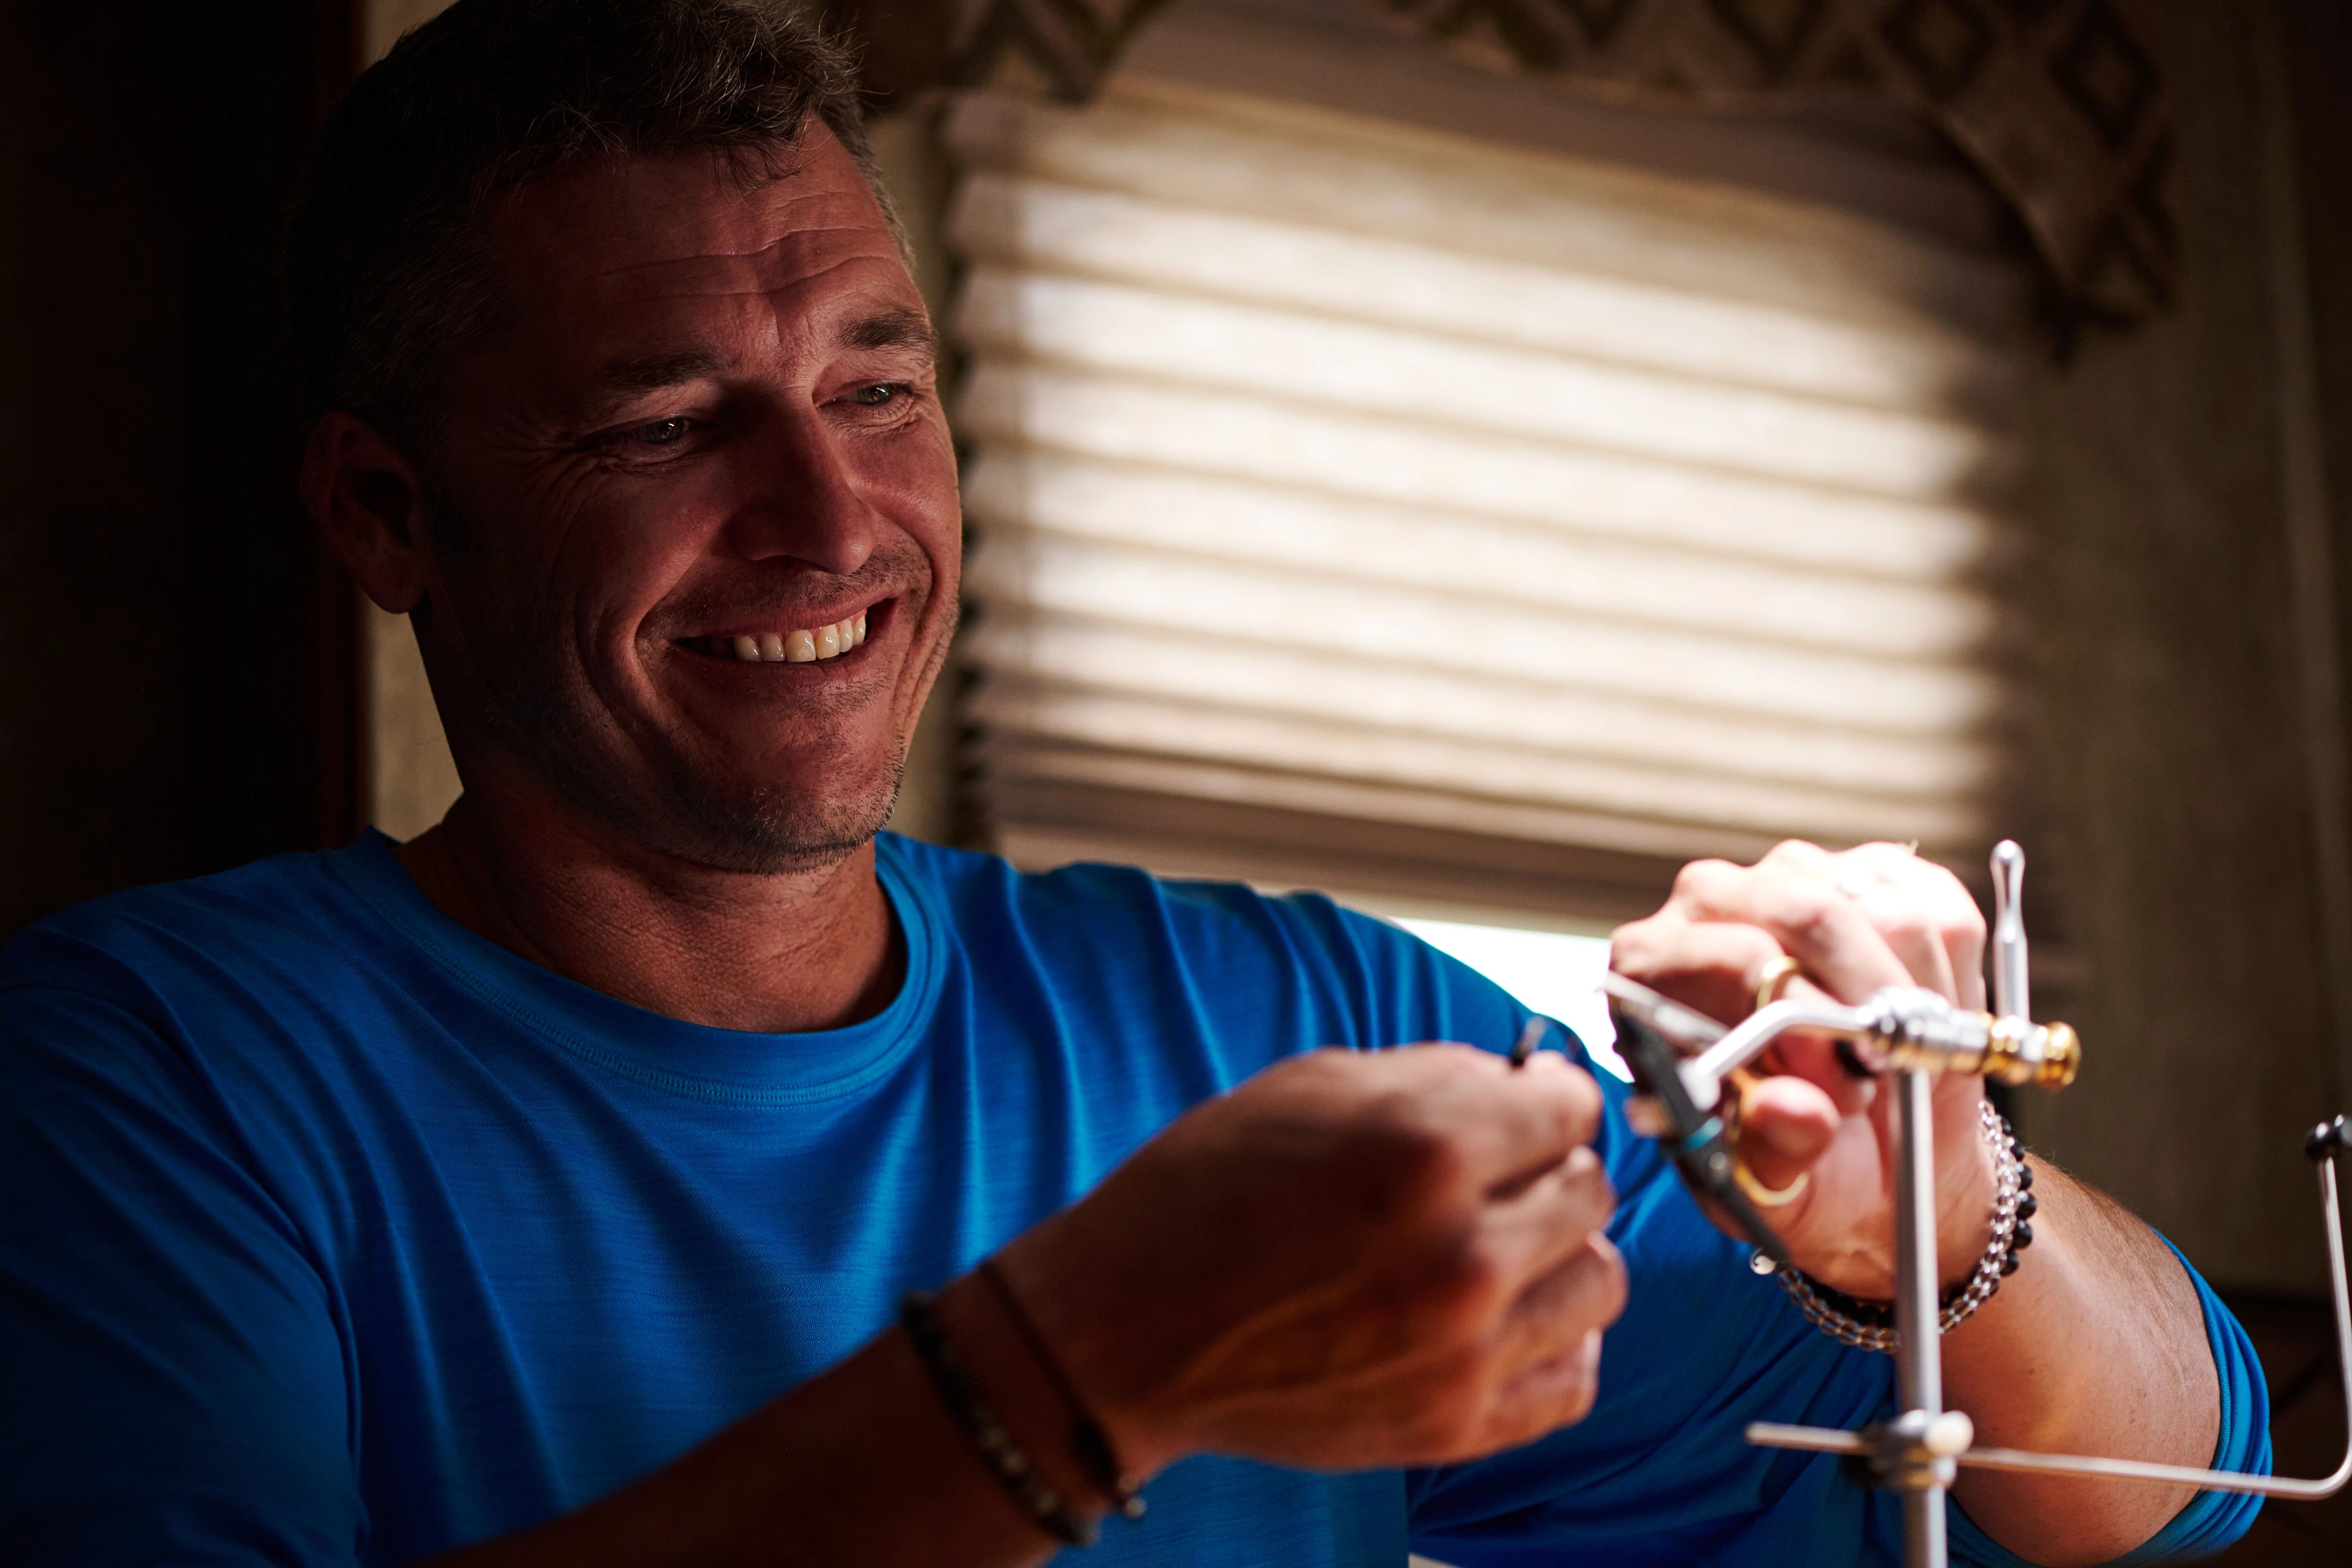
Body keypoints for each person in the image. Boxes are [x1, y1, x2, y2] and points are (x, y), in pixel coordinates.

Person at [0, 4, 2267, 1565]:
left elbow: (2154, 1489)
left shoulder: (1292, 1035)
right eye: (668, 422)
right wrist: (1090, 1361)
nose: (829, 517)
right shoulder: (146, 1082)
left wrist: (1930, 1204)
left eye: (875, 386)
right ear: (385, 511)